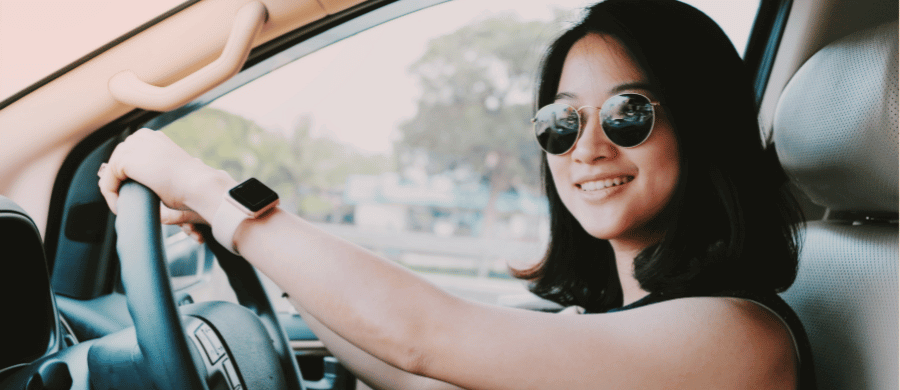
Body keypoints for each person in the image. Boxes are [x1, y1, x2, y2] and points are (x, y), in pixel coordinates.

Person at [97, 0, 815, 388]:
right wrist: (258, 255)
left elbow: (426, 336)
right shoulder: (606, 320)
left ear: (705, 128)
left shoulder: (739, 342)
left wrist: (211, 187)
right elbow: (415, 370)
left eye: (628, 112)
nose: (588, 148)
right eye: (561, 123)